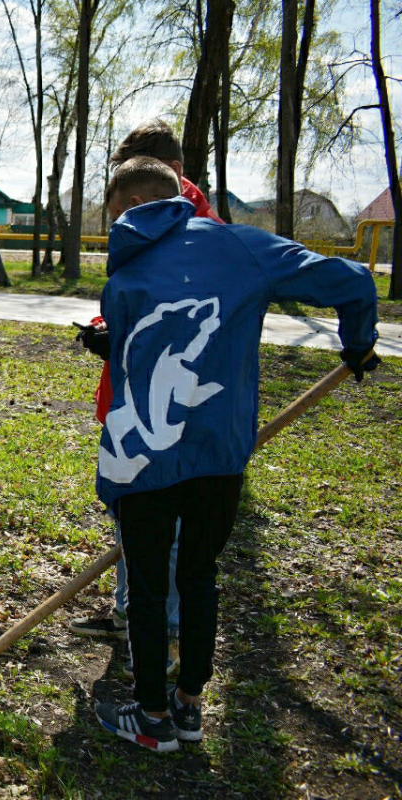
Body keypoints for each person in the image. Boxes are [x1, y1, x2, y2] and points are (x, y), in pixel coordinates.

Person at [92, 157, 379, 752]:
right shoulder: (242, 246)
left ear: (130, 206)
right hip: (217, 451)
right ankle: (188, 708)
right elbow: (353, 280)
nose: (115, 226)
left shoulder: (124, 270)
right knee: (199, 576)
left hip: (143, 454)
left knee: (147, 587)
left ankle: (150, 718)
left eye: (114, 213)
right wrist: (358, 344)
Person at [68, 119, 223, 674]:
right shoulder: (143, 229)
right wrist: (106, 330)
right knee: (131, 516)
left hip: (175, 410)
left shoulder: (206, 238)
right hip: (129, 401)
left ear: (172, 172)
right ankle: (129, 614)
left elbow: (196, 326)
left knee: (170, 530)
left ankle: (169, 634)